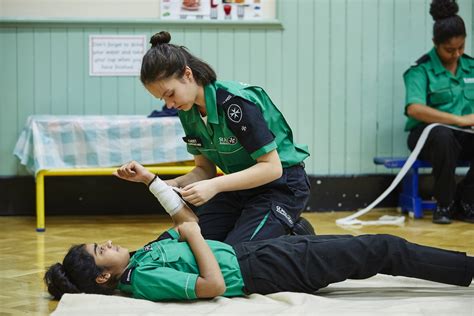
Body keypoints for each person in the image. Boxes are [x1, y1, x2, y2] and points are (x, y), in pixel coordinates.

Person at [44, 169, 474, 301]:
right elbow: (210, 285)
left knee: (358, 245)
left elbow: (183, 218)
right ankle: (467, 269)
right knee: (383, 248)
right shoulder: (142, 280)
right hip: (260, 267)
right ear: (103, 277)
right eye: (102, 250)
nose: (110, 243)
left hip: (256, 252)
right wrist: (193, 237)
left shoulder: (139, 259)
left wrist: (152, 181)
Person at [139, 30, 314, 245]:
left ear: (187, 74)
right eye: (162, 99)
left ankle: (295, 232)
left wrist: (214, 186)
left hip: (281, 185)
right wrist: (170, 185)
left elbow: (272, 168)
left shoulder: (235, 103)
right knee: (181, 243)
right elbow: (205, 170)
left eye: (170, 94)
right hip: (238, 188)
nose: (169, 105)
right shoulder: (187, 111)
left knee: (236, 255)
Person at [403, 0, 474, 224]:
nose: (457, 54)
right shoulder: (420, 69)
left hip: (464, 136)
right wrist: (459, 119)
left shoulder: (471, 66)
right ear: (435, 43)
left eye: (461, 47)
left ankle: (467, 201)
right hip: (429, 137)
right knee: (443, 136)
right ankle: (444, 204)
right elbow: (414, 108)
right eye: (449, 50)